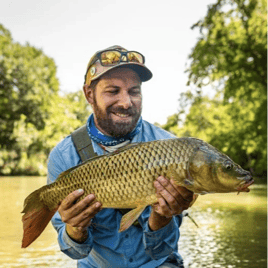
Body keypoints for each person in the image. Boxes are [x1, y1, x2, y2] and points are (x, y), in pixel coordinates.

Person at [47, 45, 194, 268]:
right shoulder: (64, 156)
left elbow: (162, 250)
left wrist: (162, 217)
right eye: (113, 91)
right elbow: (74, 252)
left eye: (134, 91)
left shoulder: (170, 149)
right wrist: (74, 228)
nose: (126, 102)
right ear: (89, 94)